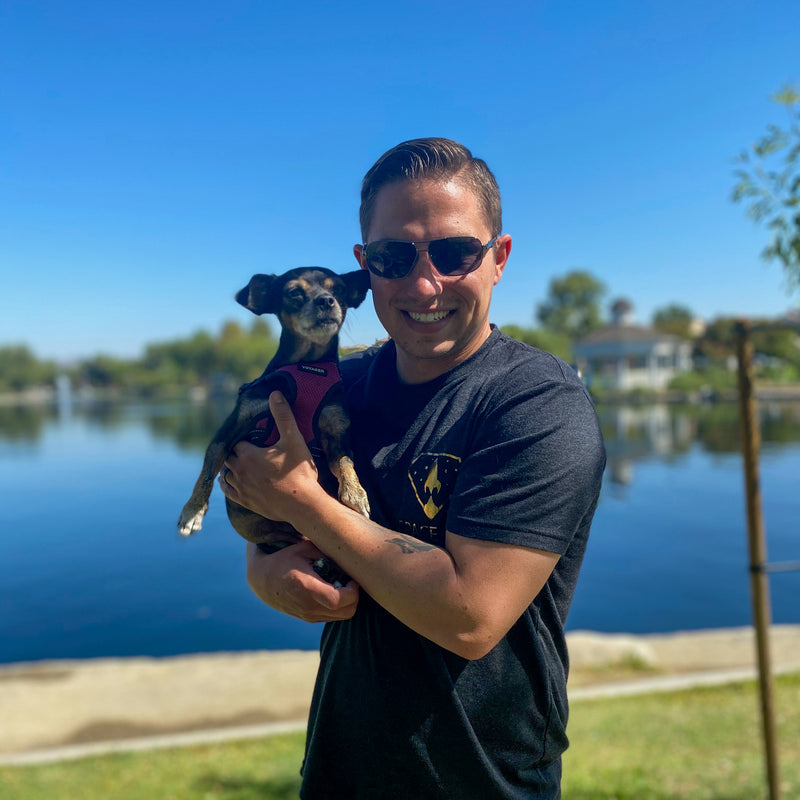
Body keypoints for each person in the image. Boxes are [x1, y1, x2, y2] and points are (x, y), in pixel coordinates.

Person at [219, 138, 606, 799]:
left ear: (499, 259)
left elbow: (470, 616)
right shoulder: (334, 388)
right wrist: (268, 572)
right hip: (338, 772)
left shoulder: (536, 403)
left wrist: (307, 505)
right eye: (396, 257)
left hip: (485, 783)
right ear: (365, 270)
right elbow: (261, 508)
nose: (425, 284)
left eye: (455, 253)